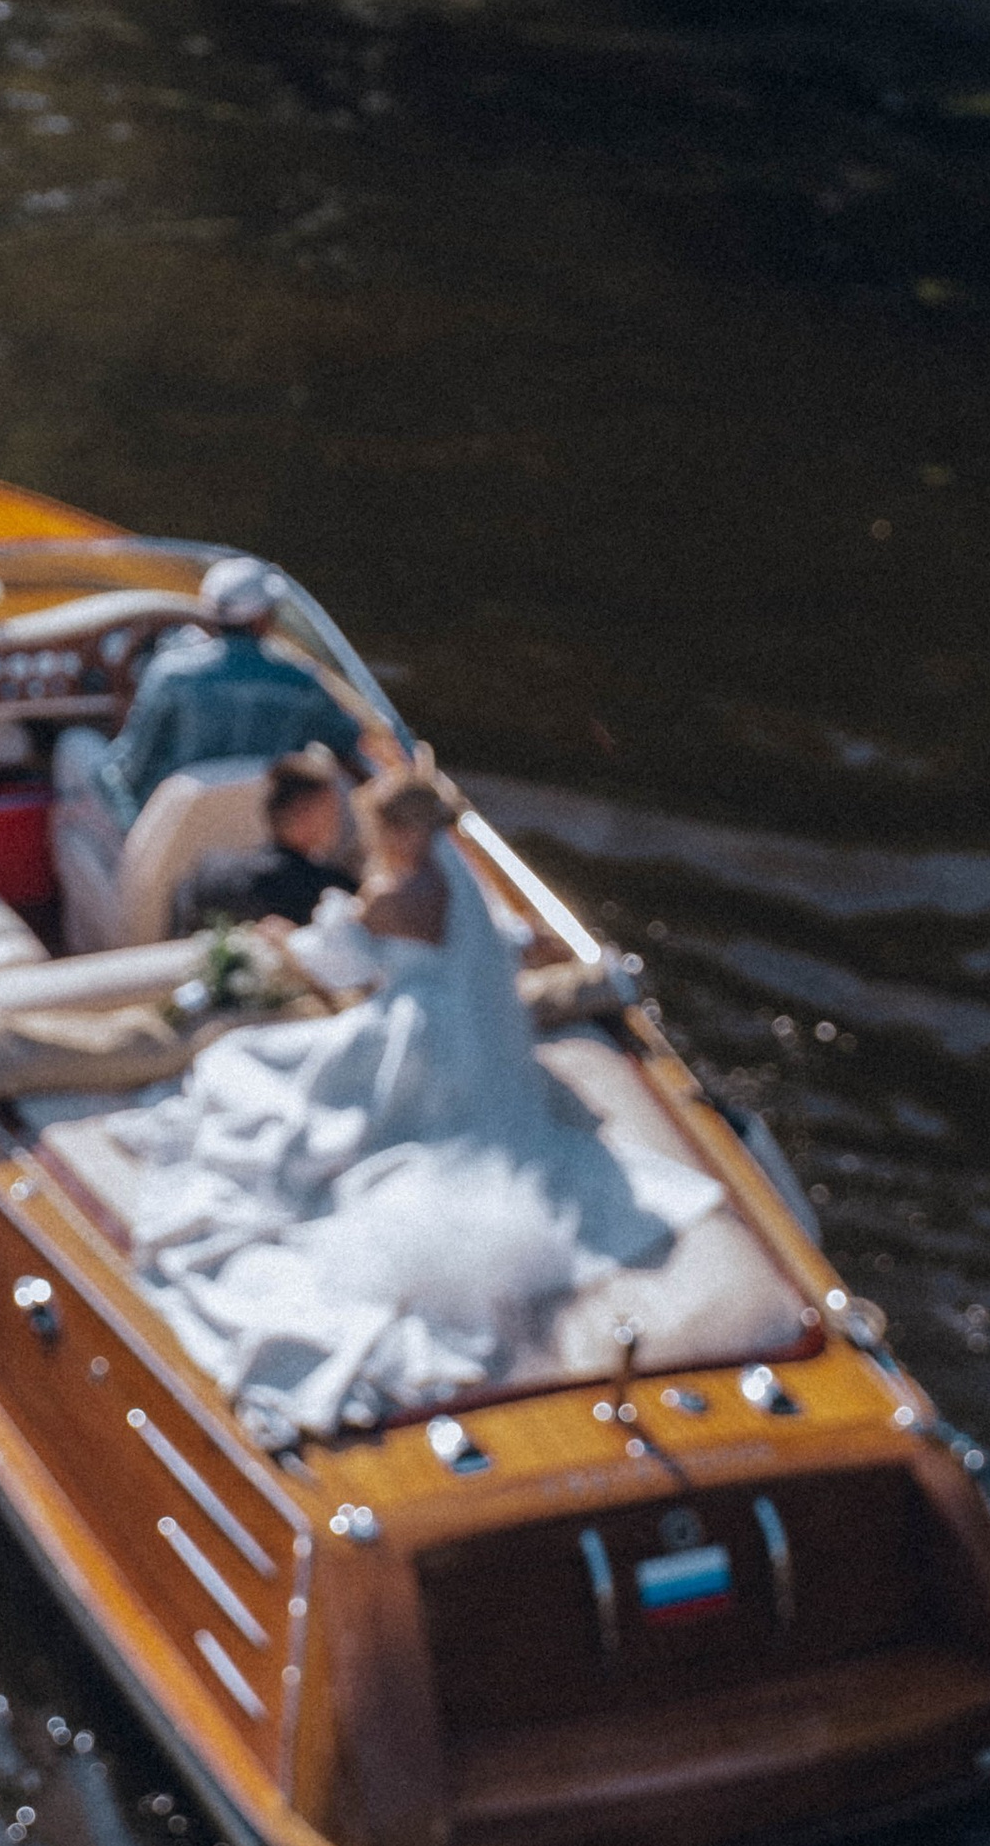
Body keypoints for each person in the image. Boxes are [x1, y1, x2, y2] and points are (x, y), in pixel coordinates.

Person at [118, 756, 723, 1439]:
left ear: (397, 833)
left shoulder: (391, 898)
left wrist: (282, 939)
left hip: (415, 1044)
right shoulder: (459, 879)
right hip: (484, 1049)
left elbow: (333, 961)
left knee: (239, 1062)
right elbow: (503, 943)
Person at [66, 555, 367, 836]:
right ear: (263, 619)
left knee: (74, 746)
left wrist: (130, 826)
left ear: (209, 614)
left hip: (174, 840)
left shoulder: (170, 675)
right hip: (262, 834)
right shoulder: (302, 683)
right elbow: (349, 743)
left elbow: (128, 770)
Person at [170, 747, 359, 938]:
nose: (339, 819)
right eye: (330, 810)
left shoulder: (207, 873)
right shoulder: (327, 892)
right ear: (305, 814)